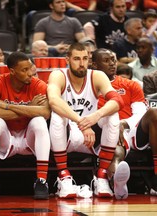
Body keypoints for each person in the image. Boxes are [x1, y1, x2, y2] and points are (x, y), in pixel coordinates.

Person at [47, 42, 124, 198]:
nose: (81, 64)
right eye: (76, 58)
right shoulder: (58, 75)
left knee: (112, 116)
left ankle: (102, 176)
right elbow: (53, 101)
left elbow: (118, 101)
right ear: (67, 59)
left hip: (90, 136)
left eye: (85, 58)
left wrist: (95, 116)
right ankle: (64, 176)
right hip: (66, 133)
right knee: (56, 116)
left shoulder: (97, 76)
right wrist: (82, 122)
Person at [93, 48, 157, 198]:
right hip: (104, 131)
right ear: (95, 65)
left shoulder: (131, 84)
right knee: (116, 150)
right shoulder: (89, 85)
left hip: (131, 129)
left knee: (155, 113)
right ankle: (117, 182)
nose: (112, 64)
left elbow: (140, 112)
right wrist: (114, 126)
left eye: (113, 60)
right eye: (106, 60)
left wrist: (122, 124)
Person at [0, 51, 51, 200]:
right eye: (24, 70)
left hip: (28, 138)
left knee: (39, 122)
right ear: (12, 71)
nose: (30, 74)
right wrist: (29, 108)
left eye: (30, 68)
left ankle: (42, 180)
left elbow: (45, 112)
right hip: (7, 139)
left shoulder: (38, 84)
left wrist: (5, 106)